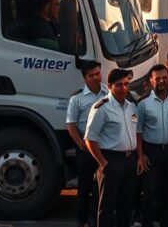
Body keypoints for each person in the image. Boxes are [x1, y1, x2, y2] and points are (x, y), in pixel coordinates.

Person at [84, 68, 139, 227]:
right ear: (109, 86)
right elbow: (90, 139)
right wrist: (103, 163)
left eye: (126, 84)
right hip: (111, 161)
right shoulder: (101, 108)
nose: (123, 88)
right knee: (107, 206)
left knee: (126, 205)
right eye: (119, 85)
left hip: (130, 161)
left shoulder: (131, 106)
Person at [136, 64, 168, 227]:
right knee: (150, 193)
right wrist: (141, 156)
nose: (162, 81)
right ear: (151, 81)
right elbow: (138, 131)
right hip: (152, 152)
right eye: (158, 79)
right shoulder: (143, 103)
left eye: (164, 78)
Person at [66, 60, 105, 227]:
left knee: (100, 188)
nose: (96, 77)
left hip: (104, 148)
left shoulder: (108, 93)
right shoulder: (77, 99)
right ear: (84, 78)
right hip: (85, 149)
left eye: (98, 73)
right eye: (91, 75)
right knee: (84, 187)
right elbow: (71, 124)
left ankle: (95, 219)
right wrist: (81, 144)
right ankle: (81, 220)